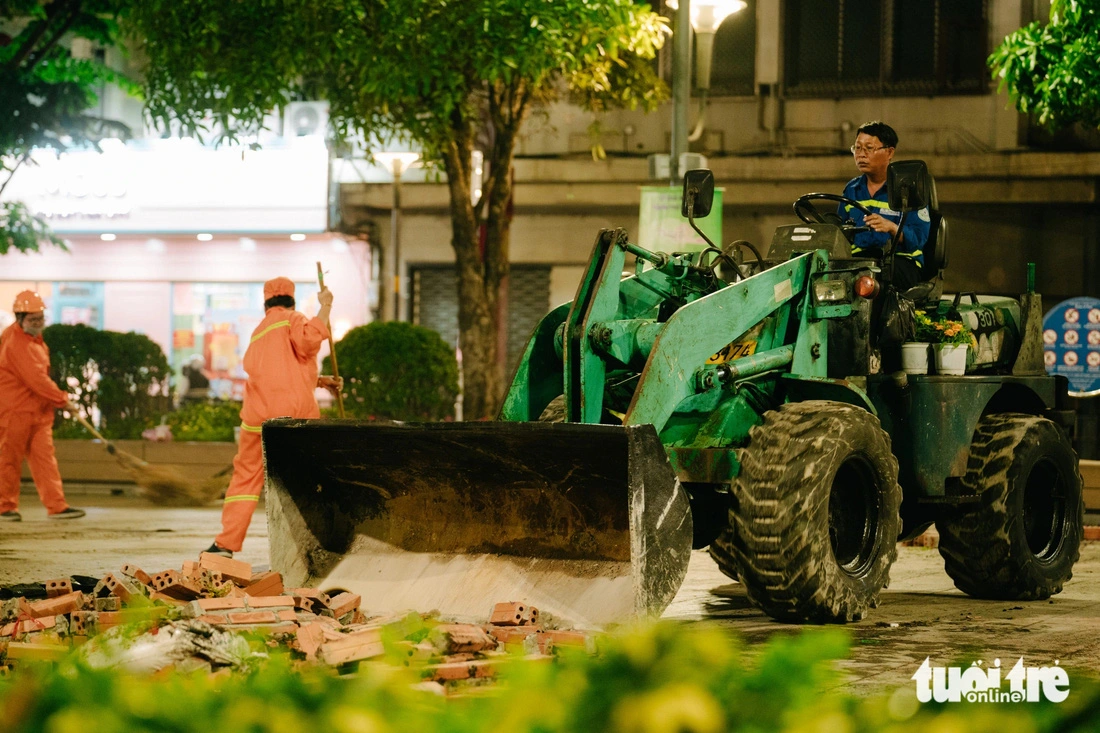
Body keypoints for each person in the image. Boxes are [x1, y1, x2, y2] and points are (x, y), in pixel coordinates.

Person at [205, 277, 342, 557]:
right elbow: (309, 342)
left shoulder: (258, 332)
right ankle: (317, 544)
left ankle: (224, 545)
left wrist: (318, 380)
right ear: (291, 300)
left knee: (244, 481)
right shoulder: (293, 318)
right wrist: (326, 306)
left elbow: (276, 373)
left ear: (266, 303)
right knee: (306, 479)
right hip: (294, 419)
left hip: (257, 419)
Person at [0, 291, 85, 521]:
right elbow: (36, 379)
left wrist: (57, 400)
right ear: (19, 318)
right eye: (33, 320)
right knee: (8, 459)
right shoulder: (16, 342)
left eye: (40, 319)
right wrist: (62, 399)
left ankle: (56, 506)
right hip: (15, 410)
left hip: (38, 412)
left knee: (45, 460)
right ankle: (5, 507)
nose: (38, 324)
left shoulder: (34, 339)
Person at [839, 121, 930, 292]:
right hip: (860, 262)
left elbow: (919, 237)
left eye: (869, 148)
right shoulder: (851, 190)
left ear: (889, 152)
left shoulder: (908, 189)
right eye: (857, 148)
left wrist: (892, 228)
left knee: (871, 280)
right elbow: (839, 231)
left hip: (901, 262)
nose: (861, 155)